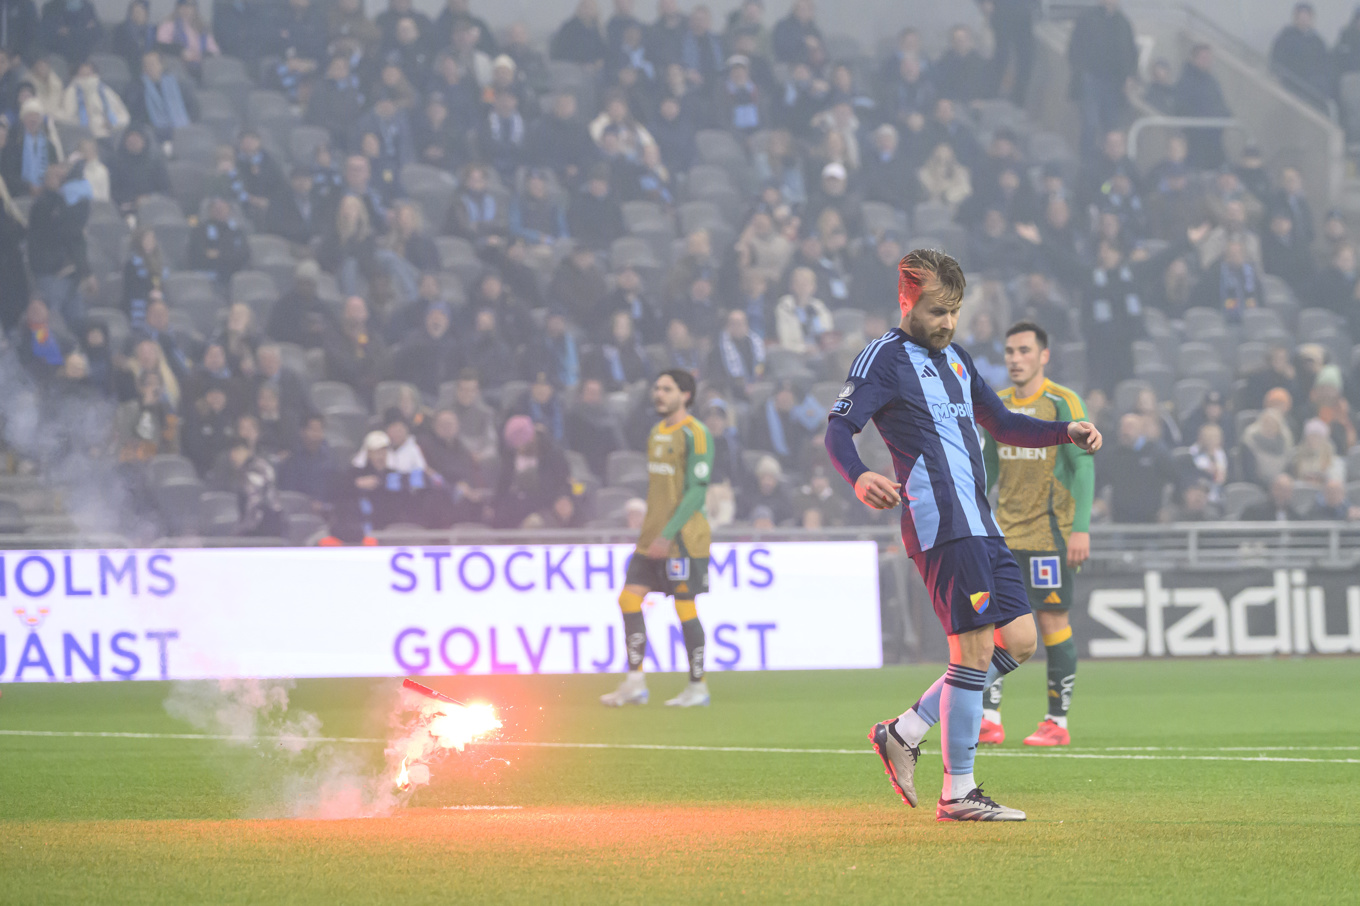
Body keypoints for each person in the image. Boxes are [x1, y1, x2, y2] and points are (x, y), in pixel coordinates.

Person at [823, 248, 1102, 821]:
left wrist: (1064, 431)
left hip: (982, 522)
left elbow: (1001, 423)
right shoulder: (883, 358)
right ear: (907, 301)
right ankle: (958, 792)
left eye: (954, 311)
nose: (947, 323)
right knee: (972, 653)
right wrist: (859, 477)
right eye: (935, 310)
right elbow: (838, 430)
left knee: (1020, 640)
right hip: (942, 524)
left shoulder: (957, 360)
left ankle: (905, 729)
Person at [978, 322, 1094, 748]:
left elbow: (1083, 465)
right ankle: (989, 717)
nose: (1015, 358)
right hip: (1004, 536)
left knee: (1052, 625)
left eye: (1024, 350)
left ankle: (1056, 722)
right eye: (1009, 351)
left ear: (1043, 356)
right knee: (994, 625)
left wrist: (1080, 527)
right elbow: (989, 466)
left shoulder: (1062, 401)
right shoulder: (999, 405)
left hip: (1051, 535)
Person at [600, 369, 714, 709]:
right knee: (628, 600)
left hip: (683, 539)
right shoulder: (656, 433)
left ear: (686, 395)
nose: (658, 394)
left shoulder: (697, 434)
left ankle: (698, 686)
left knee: (684, 607)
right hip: (651, 538)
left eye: (667, 389)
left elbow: (696, 492)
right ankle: (635, 682)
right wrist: (652, 532)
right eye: (656, 388)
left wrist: (668, 533)